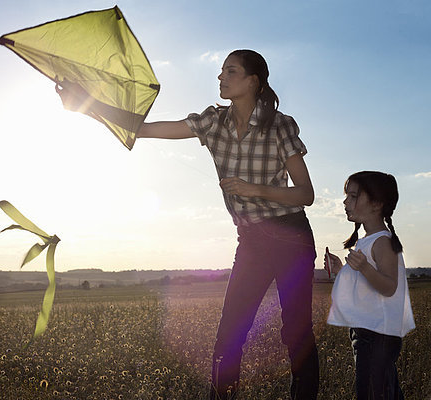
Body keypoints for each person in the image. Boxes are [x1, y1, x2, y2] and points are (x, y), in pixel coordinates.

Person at [56, 49, 319, 400]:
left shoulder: (280, 124)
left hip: (290, 235)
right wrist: (87, 104)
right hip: (252, 240)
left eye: (231, 70)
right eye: (221, 71)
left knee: (296, 332)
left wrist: (252, 189)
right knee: (230, 333)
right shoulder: (213, 121)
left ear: (253, 81)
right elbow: (144, 128)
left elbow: (306, 194)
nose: (221, 77)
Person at [325, 171, 415, 400]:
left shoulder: (382, 242)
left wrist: (364, 267)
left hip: (377, 335)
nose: (345, 202)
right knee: (384, 391)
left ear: (376, 204)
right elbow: (364, 285)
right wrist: (340, 271)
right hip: (369, 331)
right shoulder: (368, 240)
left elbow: (389, 287)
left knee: (374, 393)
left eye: (353, 196)